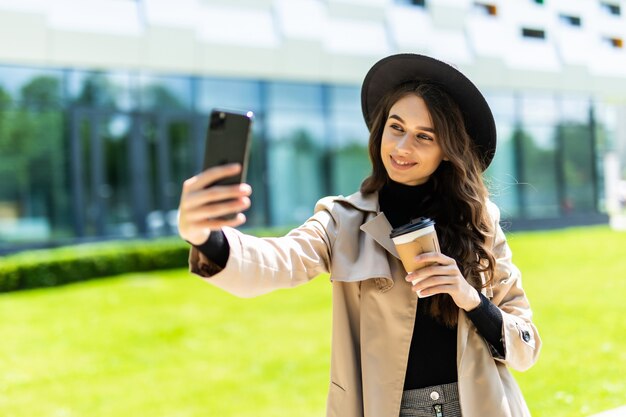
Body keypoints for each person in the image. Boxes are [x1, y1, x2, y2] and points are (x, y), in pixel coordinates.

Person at [178, 54, 541, 417]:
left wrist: (470, 297)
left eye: (424, 137)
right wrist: (207, 237)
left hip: (482, 406)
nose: (401, 148)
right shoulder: (341, 221)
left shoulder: (479, 222)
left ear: (448, 150)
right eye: (396, 128)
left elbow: (526, 346)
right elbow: (280, 260)